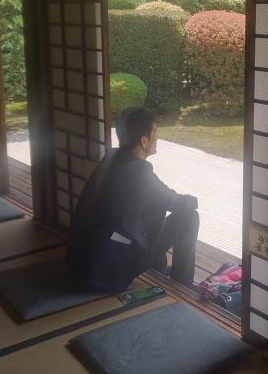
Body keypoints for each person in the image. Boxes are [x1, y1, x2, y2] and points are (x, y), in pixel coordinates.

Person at [66, 107, 199, 293]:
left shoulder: (111, 158)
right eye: (155, 132)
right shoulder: (140, 171)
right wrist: (194, 201)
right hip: (111, 270)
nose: (157, 138)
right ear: (143, 141)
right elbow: (175, 202)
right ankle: (183, 286)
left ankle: (159, 268)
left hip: (83, 260)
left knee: (154, 208)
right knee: (189, 217)